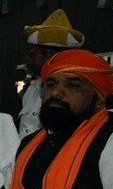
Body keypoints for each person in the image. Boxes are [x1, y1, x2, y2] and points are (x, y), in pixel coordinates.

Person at [0, 49, 113, 189]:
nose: (56, 93)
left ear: (99, 100)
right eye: (50, 84)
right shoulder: (29, 144)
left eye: (73, 85)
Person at [19, 9, 84, 138]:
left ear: (50, 54)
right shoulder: (32, 89)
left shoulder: (76, 91)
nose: (26, 58)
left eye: (32, 51)